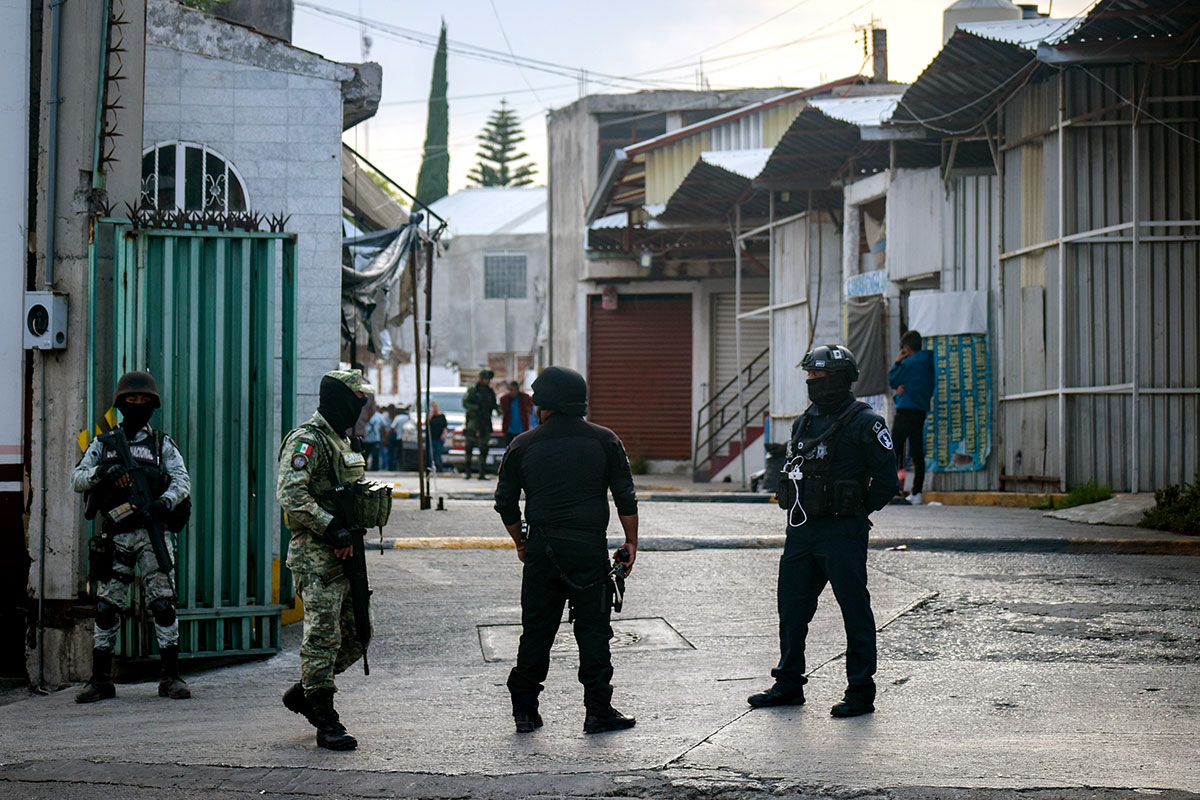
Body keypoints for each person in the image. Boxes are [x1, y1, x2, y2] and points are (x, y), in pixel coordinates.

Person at [750, 344, 899, 718]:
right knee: (792, 609)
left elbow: (885, 480)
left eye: (818, 377)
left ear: (839, 380)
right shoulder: (805, 421)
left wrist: (856, 510)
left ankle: (861, 692)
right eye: (810, 378)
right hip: (802, 531)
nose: (812, 384)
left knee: (854, 612)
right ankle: (788, 684)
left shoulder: (867, 422)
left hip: (842, 533)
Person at [494, 366, 639, 735]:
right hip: (588, 548)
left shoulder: (522, 444)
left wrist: (521, 542)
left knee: (537, 631)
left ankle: (525, 710)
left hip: (543, 548)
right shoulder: (605, 440)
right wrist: (630, 542)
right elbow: (625, 496)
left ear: (543, 404)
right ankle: (598, 711)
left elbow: (505, 502)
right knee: (593, 631)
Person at [276, 368, 383, 751]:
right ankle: (326, 718)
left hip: (349, 551)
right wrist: (329, 526)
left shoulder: (341, 441)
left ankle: (307, 691)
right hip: (316, 555)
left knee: (359, 634)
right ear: (338, 399)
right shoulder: (308, 440)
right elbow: (291, 493)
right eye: (355, 401)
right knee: (323, 636)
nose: (359, 408)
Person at [71, 370, 192, 703]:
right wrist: (102, 473)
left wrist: (162, 504)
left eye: (143, 401)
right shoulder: (104, 443)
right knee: (107, 608)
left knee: (163, 605)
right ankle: (100, 680)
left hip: (153, 534)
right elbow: (77, 478)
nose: (137, 405)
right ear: (121, 404)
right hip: (117, 536)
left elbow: (182, 482)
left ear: (152, 405)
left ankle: (171, 677)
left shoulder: (160, 443)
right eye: (131, 400)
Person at [888, 330, 936, 504]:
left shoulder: (908, 363)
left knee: (893, 449)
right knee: (917, 450)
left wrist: (898, 361)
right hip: (920, 410)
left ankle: (892, 489)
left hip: (905, 410)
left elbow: (893, 380)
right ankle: (917, 492)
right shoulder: (928, 362)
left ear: (907, 348)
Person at [463, 369, 498, 479]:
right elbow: (465, 403)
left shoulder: (490, 392)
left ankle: (482, 472)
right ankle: (467, 471)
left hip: (485, 421)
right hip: (474, 420)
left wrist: (498, 409)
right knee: (469, 445)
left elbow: (493, 404)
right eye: (485, 379)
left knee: (484, 447)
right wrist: (475, 408)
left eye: (488, 379)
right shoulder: (473, 390)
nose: (487, 381)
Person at [500, 381, 534, 446]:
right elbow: (501, 411)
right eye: (510, 390)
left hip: (522, 429)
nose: (512, 392)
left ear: (517, 389)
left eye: (514, 390)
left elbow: (530, 411)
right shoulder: (504, 399)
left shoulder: (525, 398)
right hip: (509, 429)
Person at [364, 403, 388, 471]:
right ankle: (365, 467)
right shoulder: (364, 415)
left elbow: (383, 428)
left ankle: (374, 468)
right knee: (365, 455)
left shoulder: (379, 416)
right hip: (366, 439)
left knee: (375, 455)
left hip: (375, 439)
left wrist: (384, 438)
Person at [427, 401, 448, 473]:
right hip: (432, 437)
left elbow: (445, 426)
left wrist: (444, 434)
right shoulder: (430, 416)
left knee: (438, 453)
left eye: (436, 407)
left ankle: (439, 468)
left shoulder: (442, 416)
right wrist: (431, 416)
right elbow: (426, 424)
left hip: (439, 437)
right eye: (434, 407)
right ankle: (430, 468)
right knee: (431, 453)